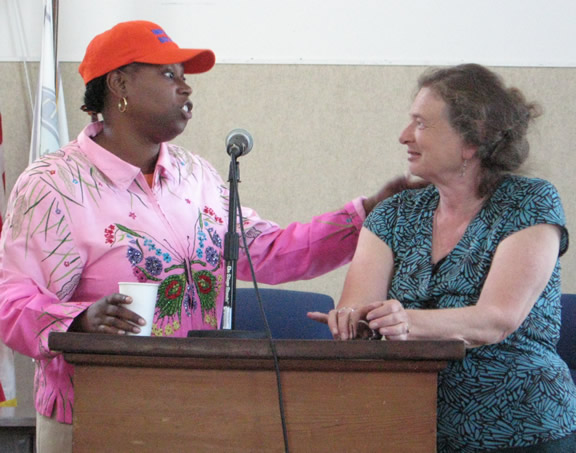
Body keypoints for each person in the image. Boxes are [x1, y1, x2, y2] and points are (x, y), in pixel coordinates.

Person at [0, 21, 411, 452]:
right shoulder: (54, 185)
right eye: (168, 75)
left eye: (185, 76)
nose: (185, 88)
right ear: (119, 83)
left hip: (199, 406)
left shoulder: (195, 176)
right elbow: (13, 303)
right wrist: (81, 320)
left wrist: (364, 215)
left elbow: (266, 251)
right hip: (94, 415)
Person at [309, 63, 576, 452]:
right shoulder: (393, 213)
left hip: (524, 426)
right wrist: (355, 323)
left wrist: (404, 322)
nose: (404, 136)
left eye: (421, 124)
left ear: (473, 139)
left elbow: (496, 320)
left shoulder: (530, 202)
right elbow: (357, 308)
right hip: (406, 422)